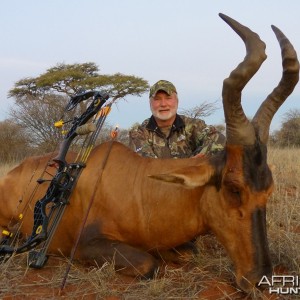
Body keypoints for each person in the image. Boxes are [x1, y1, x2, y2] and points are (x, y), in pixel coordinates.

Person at [129, 80, 225, 159]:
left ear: (177, 101)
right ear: (150, 104)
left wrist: (202, 156)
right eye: (157, 99)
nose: (163, 104)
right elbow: (148, 165)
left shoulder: (194, 125)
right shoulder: (138, 133)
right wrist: (189, 164)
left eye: (168, 98)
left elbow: (218, 139)